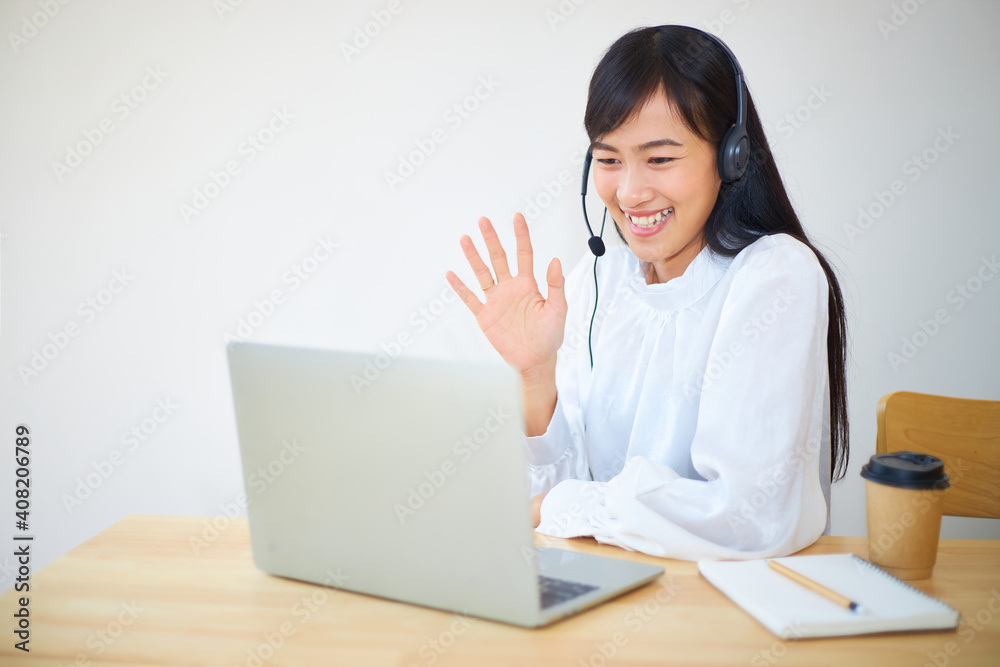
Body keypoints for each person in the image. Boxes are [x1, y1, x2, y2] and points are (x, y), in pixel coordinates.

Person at [445, 25, 849, 560]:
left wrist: (560, 508)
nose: (630, 191)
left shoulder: (775, 275)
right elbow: (561, 497)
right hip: (614, 590)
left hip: (723, 610)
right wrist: (536, 376)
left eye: (660, 159)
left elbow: (749, 516)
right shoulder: (602, 280)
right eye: (609, 160)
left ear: (731, 156)